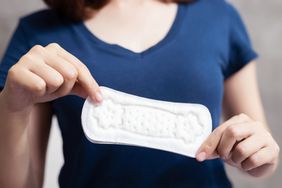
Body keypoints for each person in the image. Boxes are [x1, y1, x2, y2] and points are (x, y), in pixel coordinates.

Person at [0, 0, 279, 187]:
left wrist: (259, 151)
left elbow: (262, 159)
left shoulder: (219, 16)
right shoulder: (37, 34)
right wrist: (12, 107)